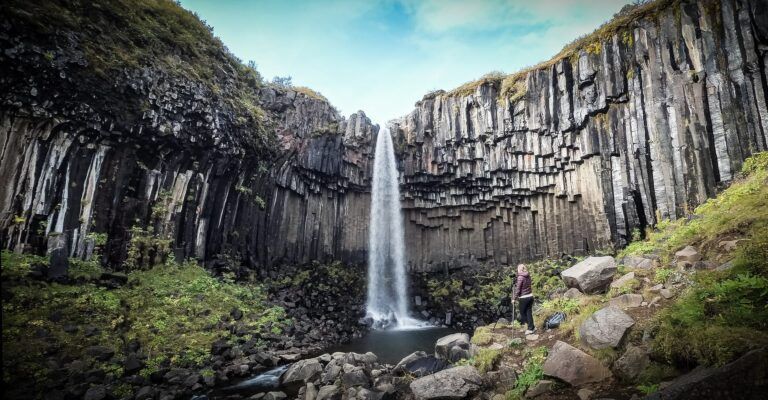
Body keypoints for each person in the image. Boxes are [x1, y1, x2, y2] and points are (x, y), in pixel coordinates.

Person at [513, 263, 536, 334]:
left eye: (517, 269)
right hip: (530, 296)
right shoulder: (528, 275)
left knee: (522, 313)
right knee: (529, 312)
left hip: (524, 298)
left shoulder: (520, 277)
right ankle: (532, 327)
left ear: (519, 269)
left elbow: (518, 289)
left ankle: (530, 327)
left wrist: (514, 298)